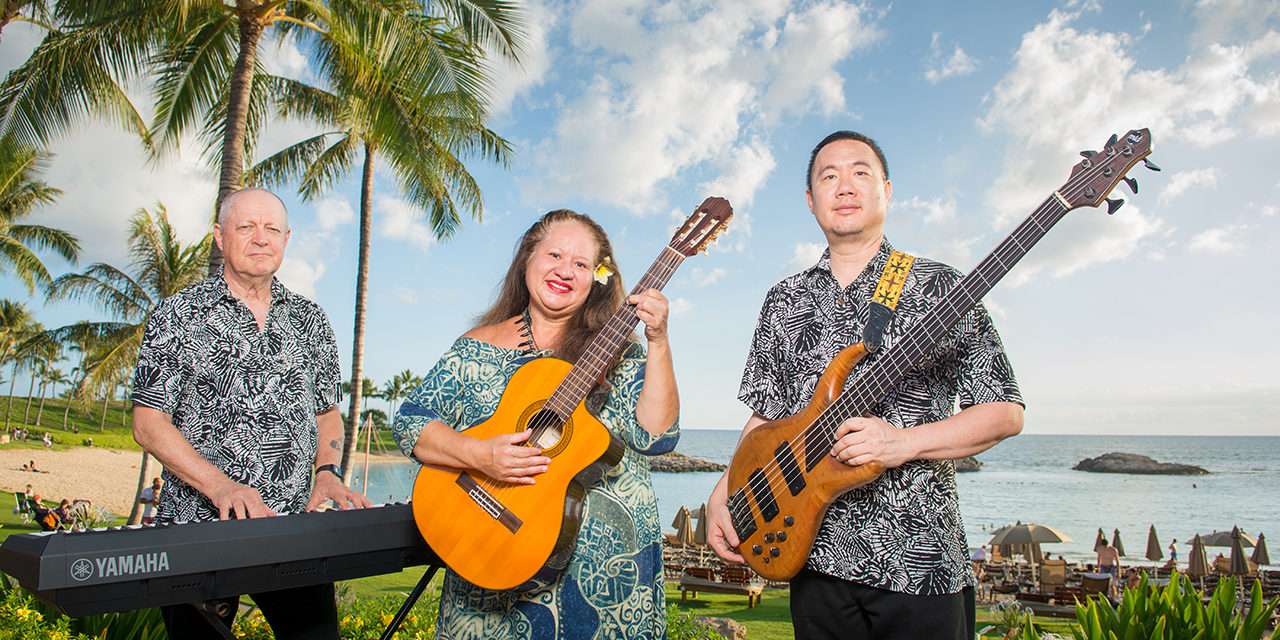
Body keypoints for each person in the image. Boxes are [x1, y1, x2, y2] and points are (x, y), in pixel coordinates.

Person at [705, 131, 1024, 640]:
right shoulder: (785, 299)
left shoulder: (942, 286)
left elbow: (1005, 412)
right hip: (815, 561)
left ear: (887, 191)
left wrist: (904, 442)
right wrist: (724, 491)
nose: (844, 186)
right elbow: (766, 417)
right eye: (828, 177)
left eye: (860, 172)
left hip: (920, 563)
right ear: (811, 202)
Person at [392, 209, 680, 638]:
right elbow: (412, 424)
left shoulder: (622, 352)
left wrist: (658, 342)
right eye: (555, 255)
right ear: (527, 259)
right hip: (493, 557)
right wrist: (480, 455)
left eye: (582, 264)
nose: (565, 270)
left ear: (597, 278)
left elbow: (657, 437)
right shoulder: (476, 349)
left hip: (604, 577)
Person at [131, 188, 370, 640]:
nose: (261, 238)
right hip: (197, 532)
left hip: (292, 531)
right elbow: (149, 424)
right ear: (220, 237)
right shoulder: (177, 314)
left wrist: (327, 472)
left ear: (286, 238)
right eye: (246, 227)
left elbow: (327, 414)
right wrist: (220, 486)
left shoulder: (311, 320)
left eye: (272, 229)